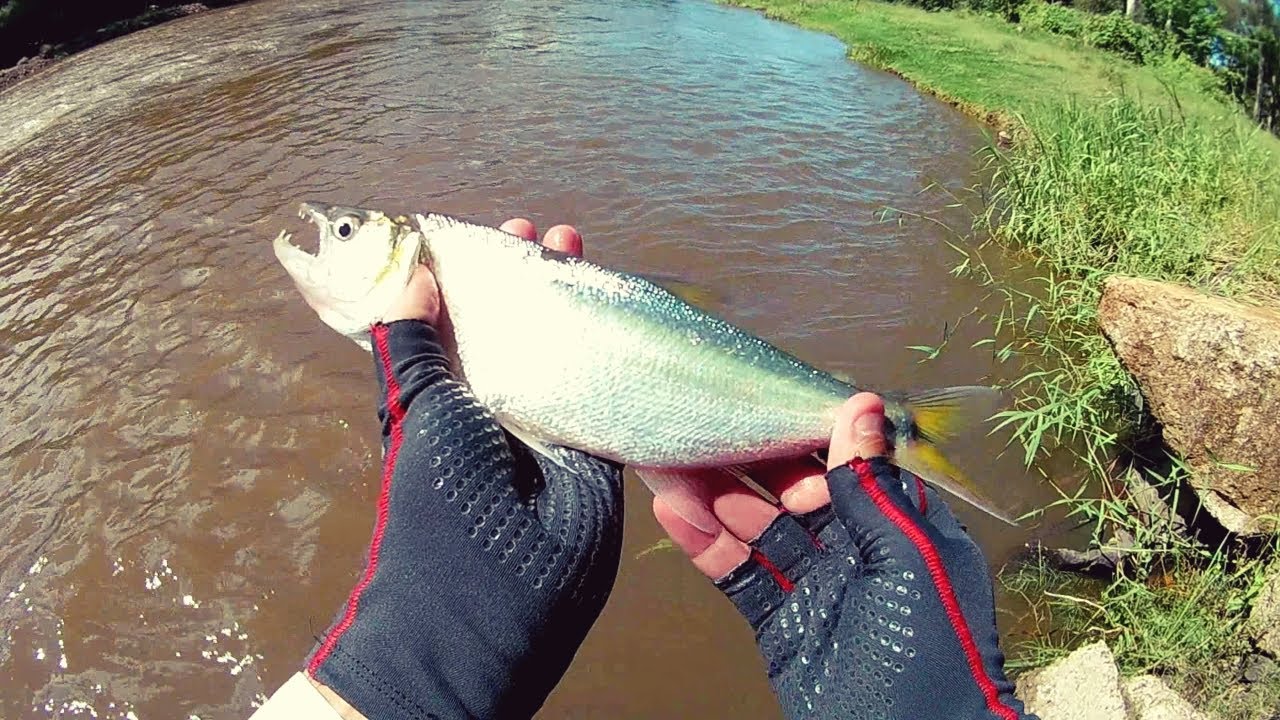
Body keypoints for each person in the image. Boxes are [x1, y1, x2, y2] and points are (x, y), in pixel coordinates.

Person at [250, 219, 1038, 720]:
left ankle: (904, 424)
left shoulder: (450, 269)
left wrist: (405, 680)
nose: (330, 237)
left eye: (347, 230)